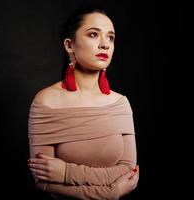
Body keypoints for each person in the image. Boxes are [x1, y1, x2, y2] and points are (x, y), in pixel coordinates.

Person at [27, 4, 139, 200]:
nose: (105, 44)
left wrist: (66, 173)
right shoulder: (46, 101)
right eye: (94, 35)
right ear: (69, 45)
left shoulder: (120, 103)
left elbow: (128, 172)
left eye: (110, 37)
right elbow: (44, 181)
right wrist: (111, 191)